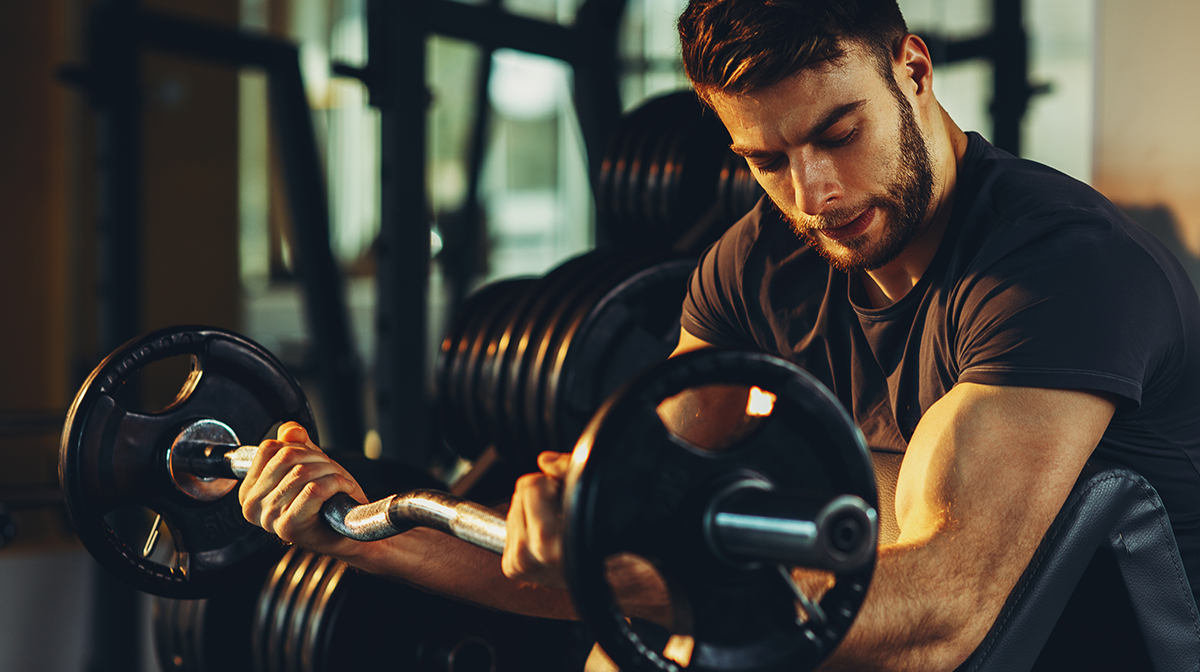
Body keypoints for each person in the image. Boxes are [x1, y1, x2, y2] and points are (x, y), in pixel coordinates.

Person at [239, 0, 1200, 670]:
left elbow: (939, 618)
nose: (815, 194)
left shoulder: (1058, 265)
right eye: (768, 160)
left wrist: (654, 575)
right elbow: (611, 540)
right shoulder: (756, 265)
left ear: (912, 69)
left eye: (838, 132)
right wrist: (371, 531)